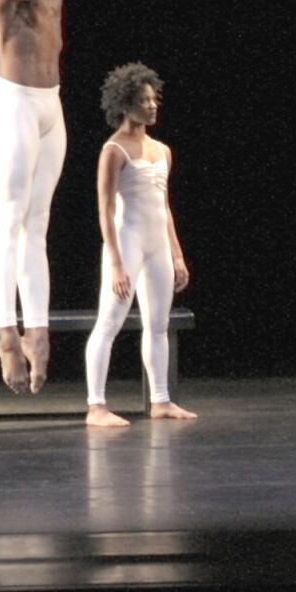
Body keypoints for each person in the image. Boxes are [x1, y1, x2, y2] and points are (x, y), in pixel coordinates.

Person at [0, 0, 136, 393]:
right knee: (9, 218)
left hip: (49, 104)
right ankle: (6, 333)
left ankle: (38, 331)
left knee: (38, 224)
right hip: (12, 103)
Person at [83, 61, 194, 427]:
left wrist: (177, 254)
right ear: (126, 103)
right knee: (109, 322)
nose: (152, 105)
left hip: (157, 246)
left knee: (158, 324)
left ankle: (161, 399)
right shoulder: (114, 150)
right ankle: (96, 406)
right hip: (127, 244)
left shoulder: (162, 150)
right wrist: (115, 262)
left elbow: (164, 207)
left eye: (153, 99)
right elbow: (105, 209)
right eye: (144, 100)